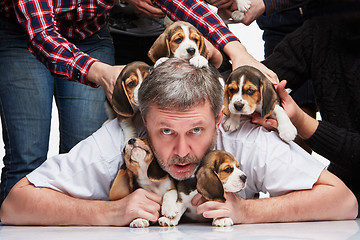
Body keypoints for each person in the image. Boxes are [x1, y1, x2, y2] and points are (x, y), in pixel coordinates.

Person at [0, 58, 357, 225]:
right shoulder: (123, 134)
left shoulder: (246, 137)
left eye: (196, 131)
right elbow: (15, 204)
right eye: (166, 132)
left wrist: (247, 210)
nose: (183, 152)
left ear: (220, 120)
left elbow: (343, 201)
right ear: (144, 120)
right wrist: (109, 212)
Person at [0, 0, 276, 206]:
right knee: (27, 157)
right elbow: (43, 37)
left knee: (81, 150)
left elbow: (186, 4)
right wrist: (101, 73)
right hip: (23, 35)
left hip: (90, 36)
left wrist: (237, 51)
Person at [255, 5, 360, 216]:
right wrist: (225, 54)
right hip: (347, 189)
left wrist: (303, 123)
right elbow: (260, 81)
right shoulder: (321, 30)